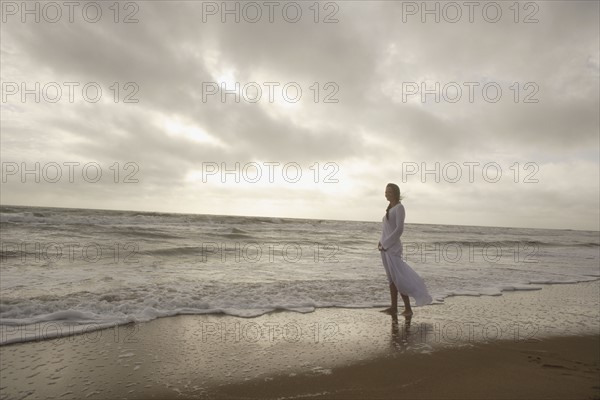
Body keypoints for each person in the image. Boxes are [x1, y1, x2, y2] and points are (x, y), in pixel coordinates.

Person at [378, 183, 432, 316]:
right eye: (386, 192)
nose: (387, 194)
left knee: (398, 278)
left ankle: (408, 309)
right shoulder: (390, 208)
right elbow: (387, 230)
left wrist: (385, 243)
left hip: (392, 249)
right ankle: (393, 307)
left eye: (389, 192)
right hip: (384, 248)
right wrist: (380, 242)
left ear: (395, 193)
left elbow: (399, 229)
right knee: (391, 279)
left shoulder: (399, 208)